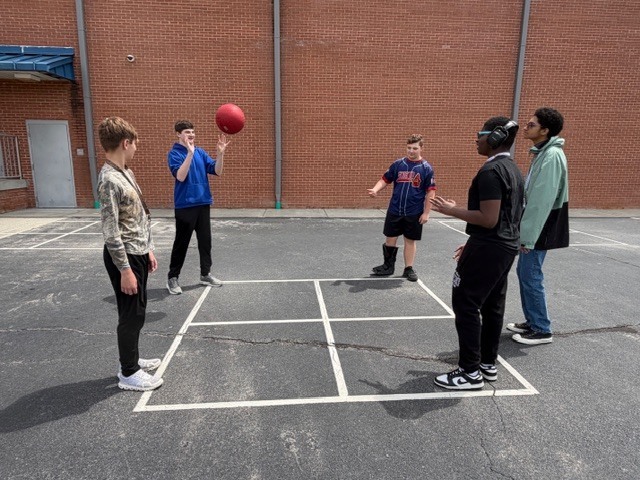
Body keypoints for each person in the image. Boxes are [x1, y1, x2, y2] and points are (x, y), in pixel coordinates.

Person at [430, 117, 524, 390]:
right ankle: (486, 364)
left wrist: (451, 210)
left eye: (480, 135)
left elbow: (489, 218)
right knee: (493, 305)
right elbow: (509, 217)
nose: (476, 140)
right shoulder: (513, 170)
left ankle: (469, 372)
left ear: (494, 138)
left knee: (466, 303)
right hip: (502, 247)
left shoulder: (491, 172)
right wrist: (472, 242)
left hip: (491, 247)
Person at [97, 117, 163, 391]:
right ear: (126, 143)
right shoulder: (109, 180)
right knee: (131, 315)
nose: (136, 148)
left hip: (137, 251)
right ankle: (128, 372)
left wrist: (147, 248)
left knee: (138, 312)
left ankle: (132, 359)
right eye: (135, 144)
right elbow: (111, 231)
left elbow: (137, 217)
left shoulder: (126, 172)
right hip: (123, 256)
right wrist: (125, 269)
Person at [507, 107, 569, 345]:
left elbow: (540, 202)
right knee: (526, 273)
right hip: (535, 227)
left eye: (531, 125)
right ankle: (533, 320)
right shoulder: (543, 152)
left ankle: (542, 329)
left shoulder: (551, 156)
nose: (525, 126)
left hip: (540, 227)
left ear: (545, 130)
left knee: (531, 274)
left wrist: (527, 237)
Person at [166, 120, 230, 295]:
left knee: (205, 242)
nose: (191, 135)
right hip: (185, 205)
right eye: (187, 132)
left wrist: (220, 154)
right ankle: (173, 278)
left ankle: (205, 274)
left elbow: (217, 171)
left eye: (192, 132)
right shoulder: (174, 154)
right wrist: (189, 153)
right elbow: (180, 176)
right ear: (178, 134)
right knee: (181, 243)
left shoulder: (200, 153)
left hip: (203, 203)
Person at [367, 134, 436, 282]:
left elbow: (431, 191)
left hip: (414, 211)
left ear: (421, 148)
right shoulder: (398, 164)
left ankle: (408, 268)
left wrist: (426, 213)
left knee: (410, 240)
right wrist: (375, 189)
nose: (411, 151)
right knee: (390, 237)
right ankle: (388, 266)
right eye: (409, 148)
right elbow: (385, 179)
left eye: (415, 148)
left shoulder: (426, 168)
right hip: (395, 209)